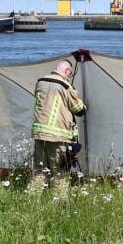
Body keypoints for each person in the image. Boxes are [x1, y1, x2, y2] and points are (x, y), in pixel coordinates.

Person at [30, 60, 86, 191]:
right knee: (60, 171)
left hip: (39, 133)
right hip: (57, 136)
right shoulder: (65, 86)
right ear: (67, 71)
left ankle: (32, 200)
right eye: (70, 75)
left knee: (39, 170)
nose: (69, 77)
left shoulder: (40, 81)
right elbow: (79, 109)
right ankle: (59, 203)